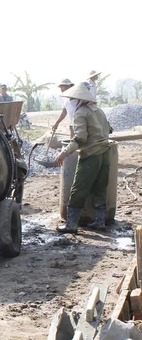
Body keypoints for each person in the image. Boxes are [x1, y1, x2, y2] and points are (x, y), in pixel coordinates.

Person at [55, 82, 111, 234]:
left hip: (91, 155)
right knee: (99, 188)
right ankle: (100, 222)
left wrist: (64, 152)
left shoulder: (80, 113)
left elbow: (81, 138)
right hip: (105, 153)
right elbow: (109, 129)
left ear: (77, 99)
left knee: (78, 189)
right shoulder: (99, 111)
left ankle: (71, 224)